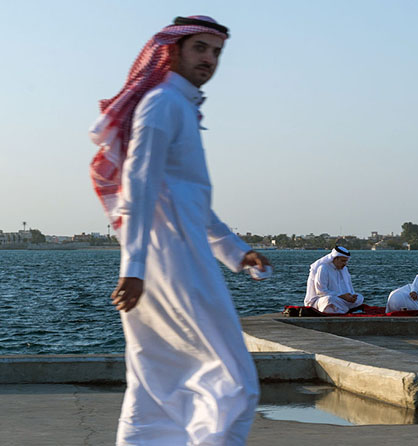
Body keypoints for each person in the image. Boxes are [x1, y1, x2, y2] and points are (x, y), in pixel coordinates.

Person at [89, 16, 270, 446]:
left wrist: (236, 250)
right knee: (235, 379)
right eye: (200, 49)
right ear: (172, 52)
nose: (210, 59)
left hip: (169, 256)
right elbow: (139, 184)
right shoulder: (163, 104)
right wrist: (134, 268)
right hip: (165, 259)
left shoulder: (180, 106)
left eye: (216, 52)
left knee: (155, 380)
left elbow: (190, 200)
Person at [304, 246, 364, 314]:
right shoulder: (323, 268)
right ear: (335, 258)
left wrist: (351, 297)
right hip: (321, 300)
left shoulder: (344, 269)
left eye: (346, 261)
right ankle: (346, 309)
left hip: (341, 300)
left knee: (360, 297)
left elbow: (349, 288)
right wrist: (342, 296)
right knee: (330, 300)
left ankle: (343, 309)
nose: (345, 264)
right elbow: (321, 292)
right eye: (343, 261)